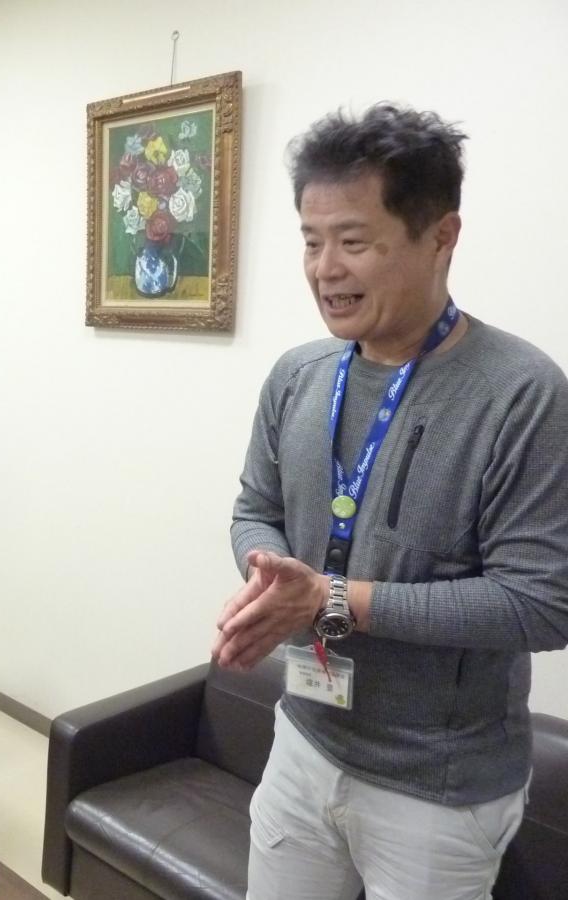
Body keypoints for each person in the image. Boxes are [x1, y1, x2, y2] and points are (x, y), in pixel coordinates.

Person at [216, 104, 568, 899]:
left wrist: (332, 599)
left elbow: (543, 603)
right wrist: (270, 572)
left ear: (442, 236)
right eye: (310, 241)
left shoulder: (521, 394)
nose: (324, 269)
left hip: (439, 791)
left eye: (353, 241)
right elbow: (253, 507)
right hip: (303, 738)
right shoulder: (298, 375)